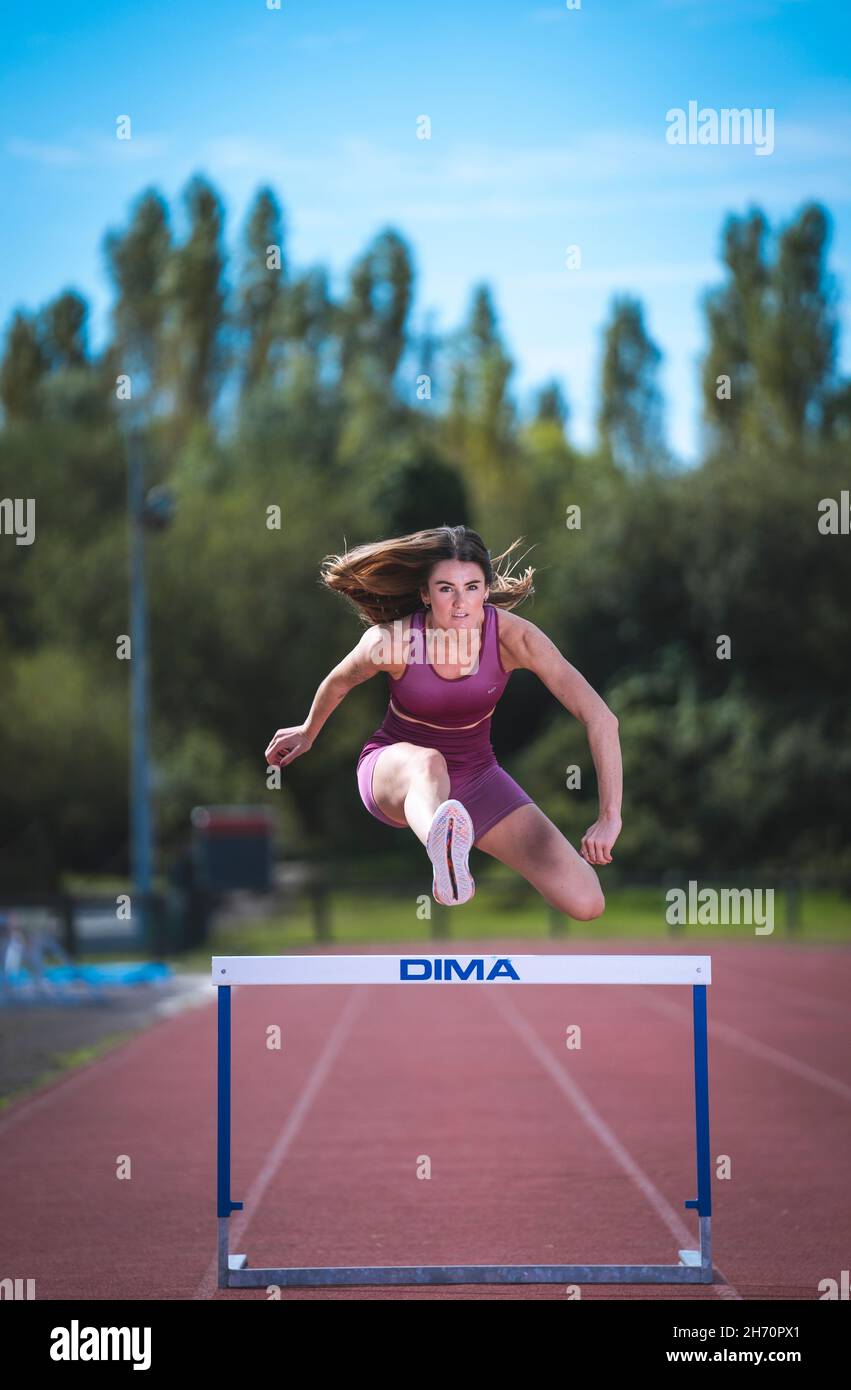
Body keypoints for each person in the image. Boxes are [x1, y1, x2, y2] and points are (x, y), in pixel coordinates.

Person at [264, 525, 621, 917]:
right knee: (428, 762)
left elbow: (600, 717)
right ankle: (445, 849)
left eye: (471, 587)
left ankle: (450, 841)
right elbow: (340, 681)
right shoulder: (394, 642)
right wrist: (308, 731)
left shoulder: (513, 639)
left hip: (477, 776)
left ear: (486, 590)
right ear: (425, 594)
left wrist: (609, 817)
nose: (460, 603)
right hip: (395, 771)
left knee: (587, 901)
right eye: (446, 588)